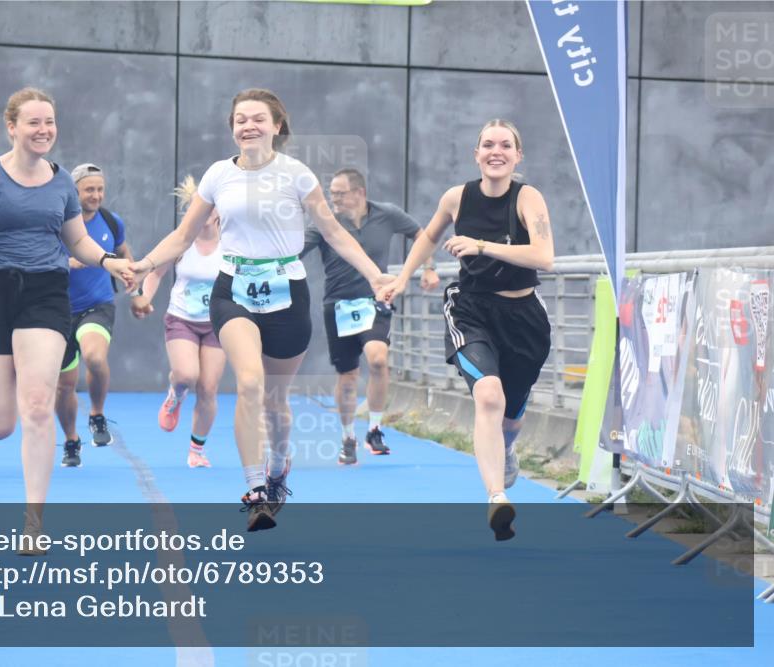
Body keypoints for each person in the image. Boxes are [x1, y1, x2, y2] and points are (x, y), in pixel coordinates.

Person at [128, 88, 394, 531]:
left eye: (257, 118)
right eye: (240, 119)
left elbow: (334, 233)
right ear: (232, 128)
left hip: (287, 291)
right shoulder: (218, 175)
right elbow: (181, 235)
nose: (247, 126)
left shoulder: (297, 174)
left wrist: (373, 274)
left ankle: (278, 466)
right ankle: (255, 491)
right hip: (233, 288)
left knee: (275, 401)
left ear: (276, 126)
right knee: (249, 382)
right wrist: (145, 264)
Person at [0, 88, 132, 552]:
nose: (43, 130)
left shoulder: (63, 183)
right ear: (12, 127)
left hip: (43, 292)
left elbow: (77, 242)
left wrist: (109, 262)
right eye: (33, 123)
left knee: (39, 405)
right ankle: (5, 386)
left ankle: (33, 523)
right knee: (0, 423)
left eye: (50, 122)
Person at [379, 119, 553, 542]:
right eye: (488, 145)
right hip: (471, 309)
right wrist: (403, 278)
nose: (497, 151)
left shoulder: (527, 197)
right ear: (476, 154)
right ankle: (497, 498)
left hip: (524, 316)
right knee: (488, 396)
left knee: (511, 416)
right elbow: (428, 236)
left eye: (506, 145)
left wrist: (480, 245)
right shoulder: (457, 197)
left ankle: (507, 450)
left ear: (517, 155)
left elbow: (544, 256)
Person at [301, 168, 440, 464]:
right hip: (338, 306)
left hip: (376, 299)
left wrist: (429, 267)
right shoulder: (327, 223)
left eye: (340, 193)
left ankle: (374, 429)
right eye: (332, 193)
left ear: (359, 193)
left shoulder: (387, 214)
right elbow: (295, 250)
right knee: (348, 376)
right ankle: (347, 436)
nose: (334, 198)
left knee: (378, 358)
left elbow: (422, 235)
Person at [133, 175, 225, 469]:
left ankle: (196, 450)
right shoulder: (182, 240)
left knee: (208, 388)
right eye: (201, 207)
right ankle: (175, 395)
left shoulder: (233, 243)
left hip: (219, 323)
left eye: (212, 208)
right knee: (186, 375)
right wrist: (144, 298)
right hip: (182, 318)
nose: (207, 213)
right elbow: (155, 273)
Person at [56, 162, 139, 468]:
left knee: (94, 357)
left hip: (98, 304)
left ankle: (97, 414)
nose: (96, 195)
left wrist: (137, 294)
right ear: (74, 191)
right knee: (64, 386)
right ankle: (70, 440)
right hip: (59, 310)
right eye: (89, 189)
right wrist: (68, 263)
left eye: (100, 189)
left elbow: (124, 254)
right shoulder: (59, 223)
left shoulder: (110, 221)